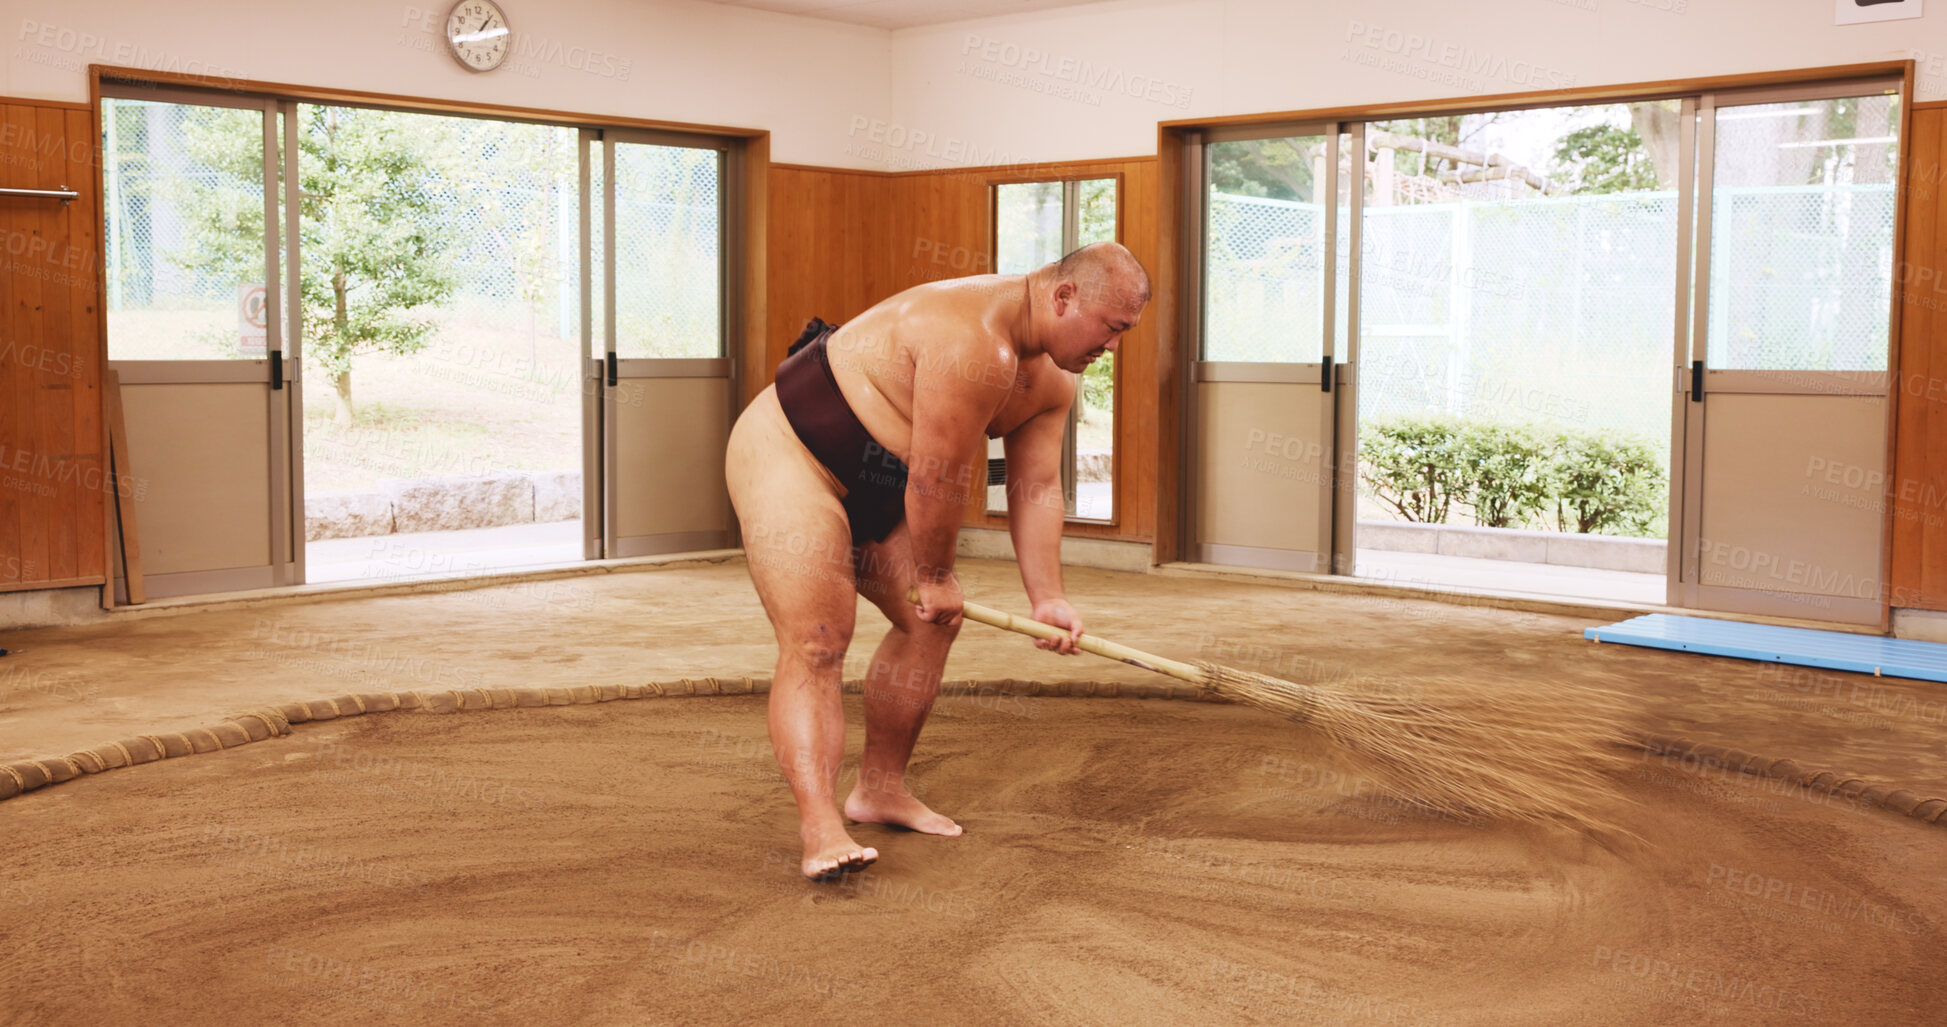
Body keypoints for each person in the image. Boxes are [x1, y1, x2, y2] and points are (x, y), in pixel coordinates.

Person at [724, 242, 1151, 879]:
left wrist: (1049, 598)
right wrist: (934, 575)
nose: (1112, 348)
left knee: (929, 623)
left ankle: (881, 788)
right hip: (795, 451)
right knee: (818, 638)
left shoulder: (1055, 380)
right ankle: (820, 827)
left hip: (881, 476)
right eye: (1112, 329)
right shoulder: (973, 339)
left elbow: (1034, 486)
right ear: (1065, 298)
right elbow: (936, 476)